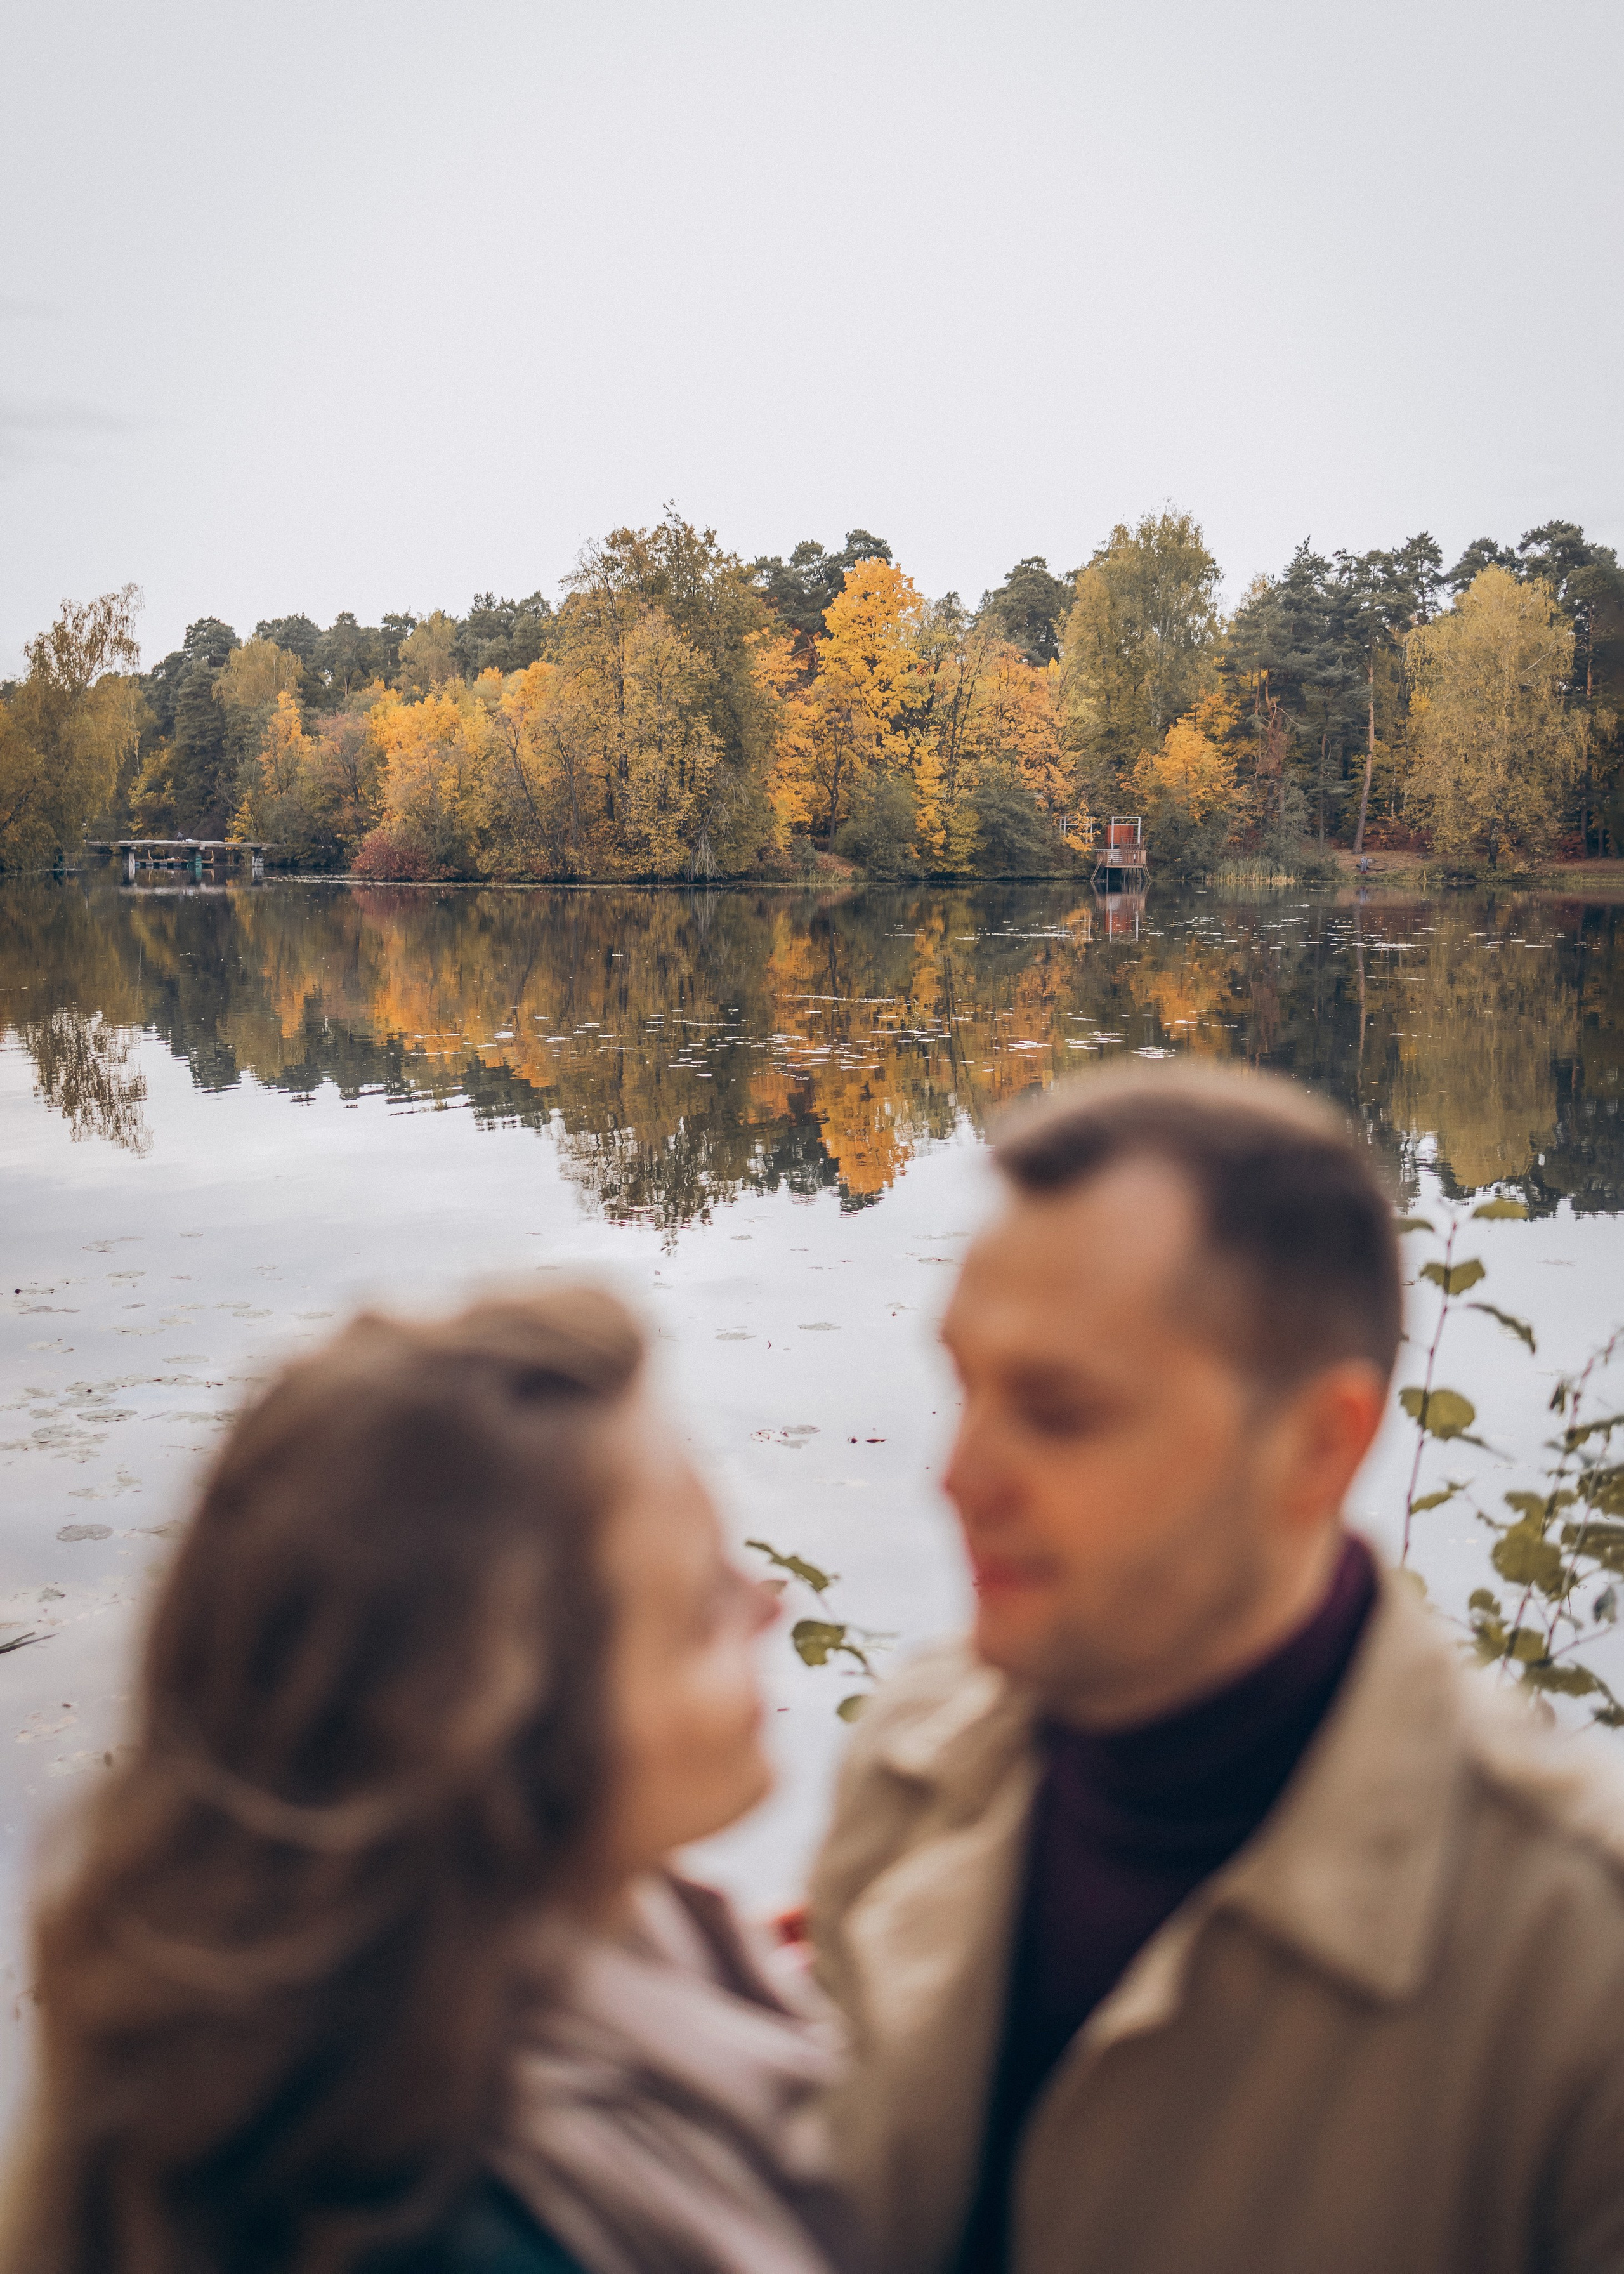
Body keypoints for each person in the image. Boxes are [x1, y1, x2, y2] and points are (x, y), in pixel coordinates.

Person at [811, 1063, 1624, 2274]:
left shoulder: (1575, 1964)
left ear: (1318, 1444)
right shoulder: (914, 1762)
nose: (959, 1477)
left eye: (1062, 1411)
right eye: (967, 1387)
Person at [2, 1291, 857, 2274]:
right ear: (512, 1729)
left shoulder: (607, 1933)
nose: (769, 1601)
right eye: (701, 1608)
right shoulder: (450, 2229)